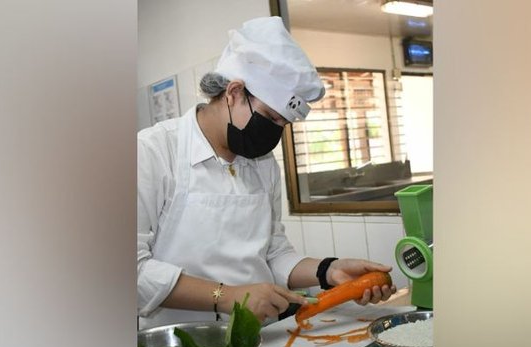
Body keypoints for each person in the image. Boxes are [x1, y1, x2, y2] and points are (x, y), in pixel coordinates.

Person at [137, 16, 396, 329]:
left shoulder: (261, 164)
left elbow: (273, 253)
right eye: (270, 118)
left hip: (260, 336)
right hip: (181, 345)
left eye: (282, 124)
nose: (274, 133)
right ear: (233, 92)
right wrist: (227, 295)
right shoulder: (152, 152)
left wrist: (331, 270)